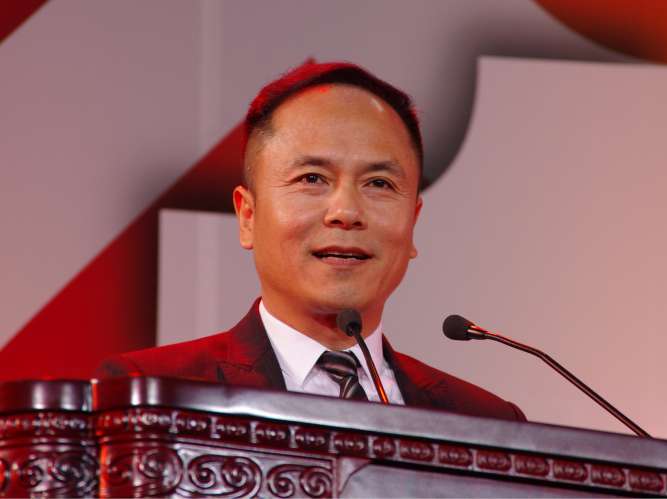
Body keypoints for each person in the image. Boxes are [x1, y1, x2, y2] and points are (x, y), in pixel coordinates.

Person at [97, 62, 525, 422]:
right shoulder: (151, 394)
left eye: (379, 183)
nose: (346, 212)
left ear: (412, 222)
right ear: (248, 216)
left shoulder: (487, 422)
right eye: (312, 178)